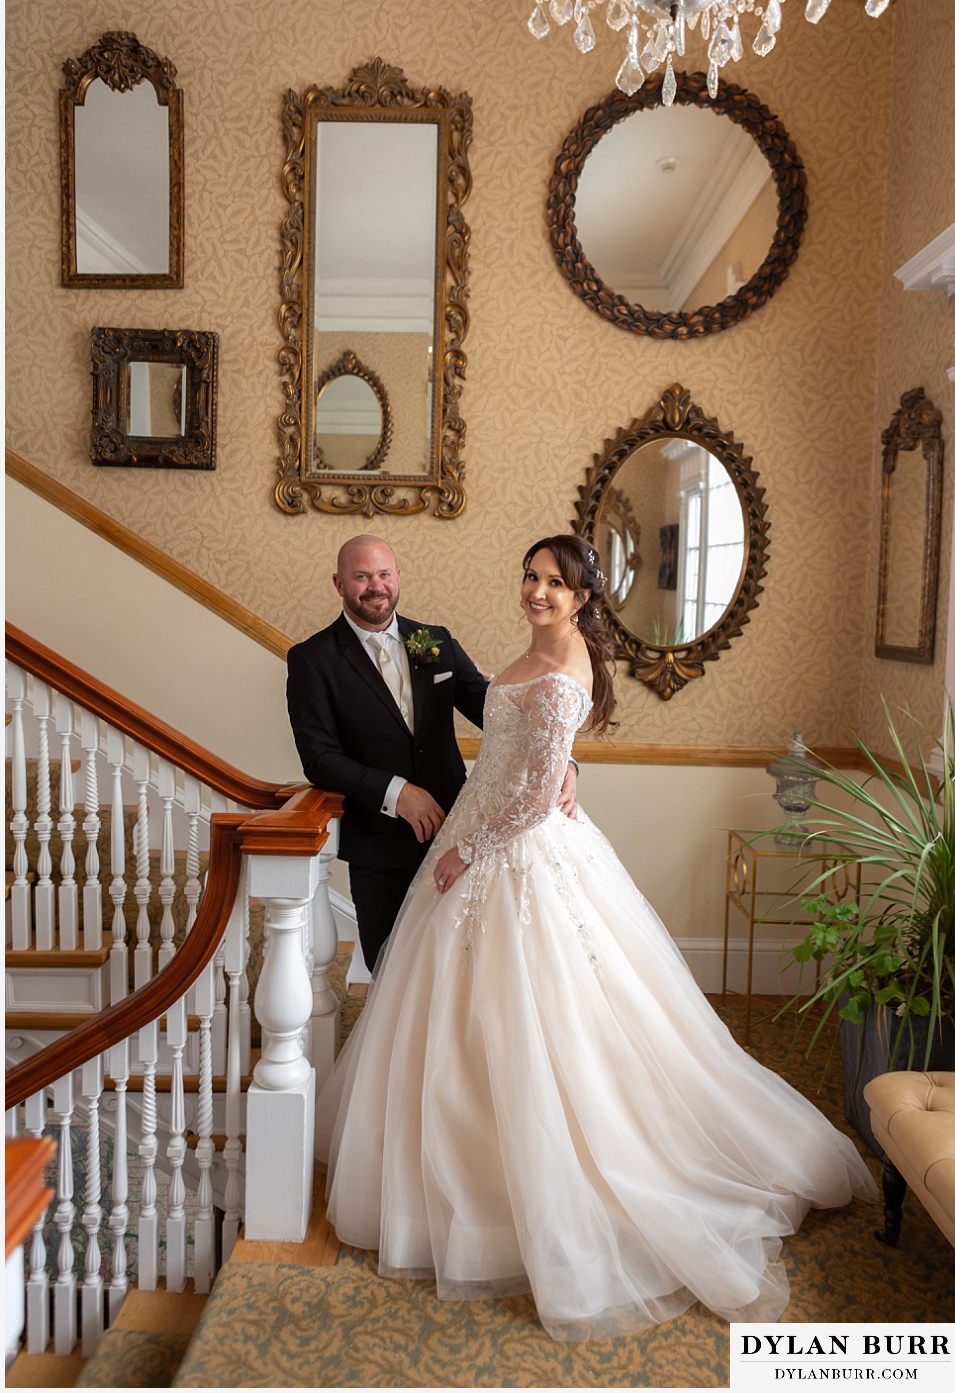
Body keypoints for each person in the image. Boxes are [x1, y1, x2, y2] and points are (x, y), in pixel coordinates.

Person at [315, 533, 876, 1342]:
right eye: (531, 576)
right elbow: (493, 725)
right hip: (462, 832)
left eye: (554, 582)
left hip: (508, 853)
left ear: (582, 598)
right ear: (344, 582)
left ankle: (537, 1193)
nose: (537, 590)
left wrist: (513, 810)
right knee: (449, 1020)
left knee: (549, 1021)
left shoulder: (511, 655)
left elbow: (538, 769)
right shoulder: (342, 658)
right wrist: (536, 775)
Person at [286, 534, 578, 971]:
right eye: (362, 577)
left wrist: (565, 763)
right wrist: (398, 792)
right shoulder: (312, 659)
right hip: (379, 849)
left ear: (398, 577)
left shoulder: (435, 640)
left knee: (459, 973)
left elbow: (502, 717)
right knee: (390, 970)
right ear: (339, 583)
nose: (375, 585)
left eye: (384, 574)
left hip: (458, 834)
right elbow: (319, 756)